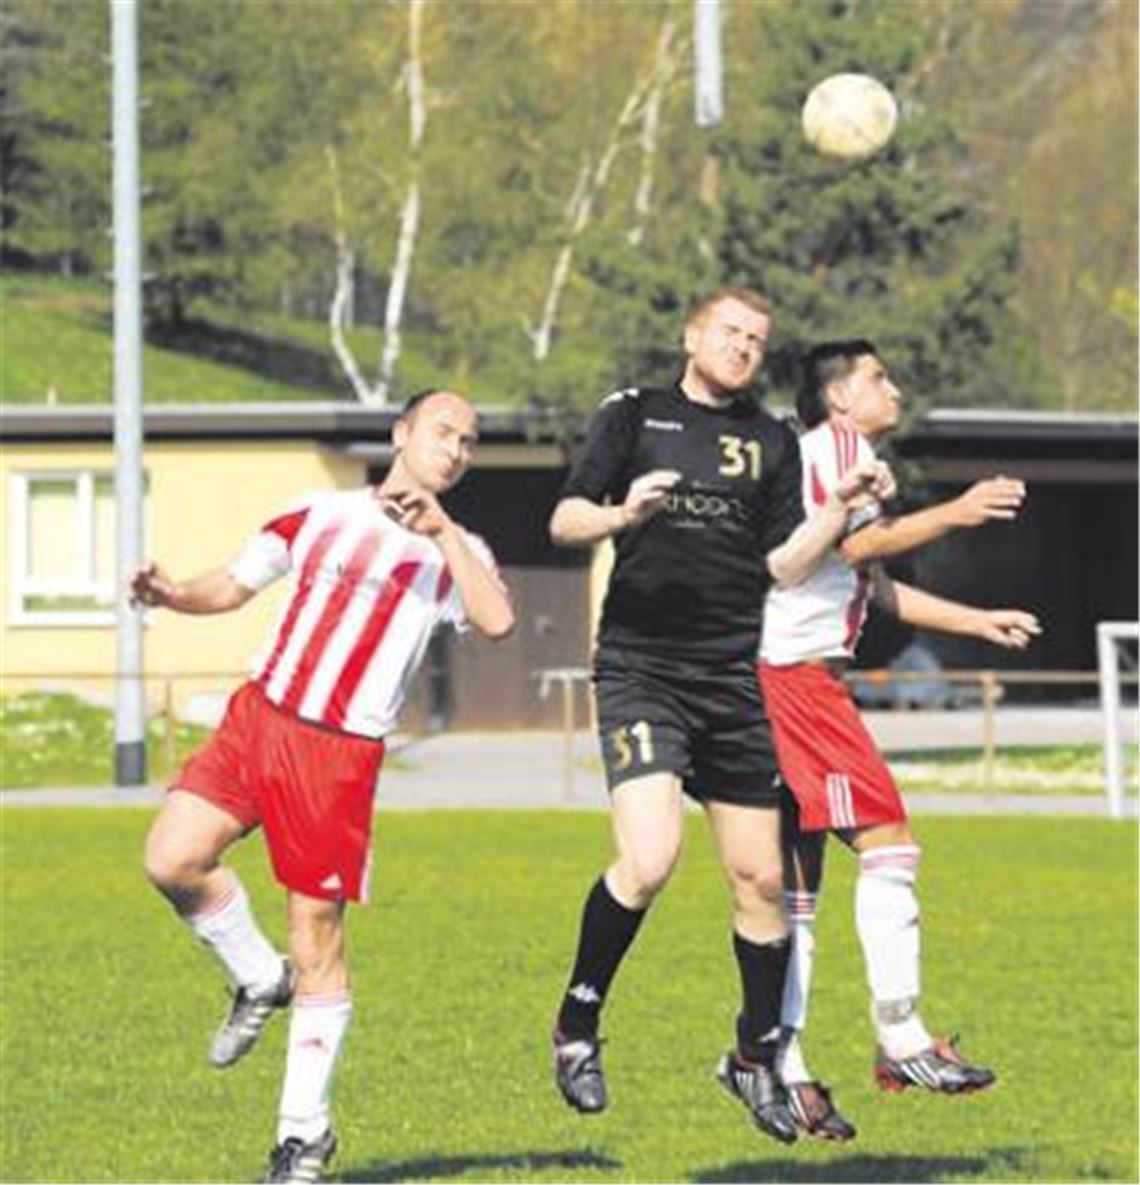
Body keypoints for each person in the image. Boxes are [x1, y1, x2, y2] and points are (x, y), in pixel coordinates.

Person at [132, 390, 514, 1185]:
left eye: (468, 443)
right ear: (402, 434)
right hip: (258, 718)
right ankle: (253, 974)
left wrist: (442, 531)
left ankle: (302, 1137)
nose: (455, 449)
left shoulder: (456, 548)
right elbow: (233, 584)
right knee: (171, 857)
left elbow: (498, 619)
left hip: (336, 755)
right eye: (443, 432)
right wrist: (171, 594)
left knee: (319, 941)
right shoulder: (319, 512)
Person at [546, 289, 895, 1144]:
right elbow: (563, 518)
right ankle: (577, 1026)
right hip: (641, 671)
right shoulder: (635, 415)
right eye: (731, 333)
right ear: (692, 336)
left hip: (732, 680)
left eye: (757, 340)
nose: (744, 347)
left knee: (763, 882)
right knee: (652, 856)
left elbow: (782, 564)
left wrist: (837, 508)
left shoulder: (771, 440)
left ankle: (753, 1055)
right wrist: (624, 514)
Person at [756, 339, 1040, 1141]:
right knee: (889, 847)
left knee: (796, 893)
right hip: (796, 683)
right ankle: (902, 1036)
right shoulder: (839, 450)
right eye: (880, 377)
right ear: (840, 398)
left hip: (786, 680)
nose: (896, 388)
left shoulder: (830, 455)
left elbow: (869, 586)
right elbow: (857, 546)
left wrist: (975, 620)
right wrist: (954, 510)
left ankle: (787, 1063)